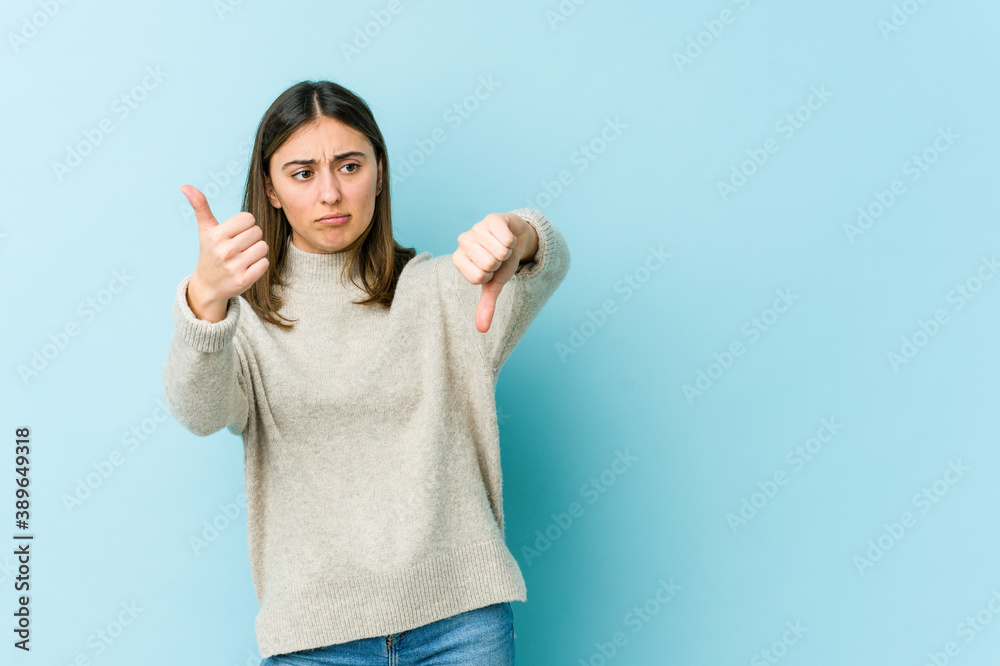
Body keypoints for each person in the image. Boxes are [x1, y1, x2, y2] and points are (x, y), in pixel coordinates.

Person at [162, 80, 570, 664]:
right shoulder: (243, 318)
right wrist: (205, 300)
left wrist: (520, 233)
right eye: (302, 173)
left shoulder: (442, 292)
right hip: (314, 637)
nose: (330, 192)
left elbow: (543, 261)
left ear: (379, 172)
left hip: (461, 624)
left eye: (349, 165)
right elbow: (197, 412)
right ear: (271, 191)